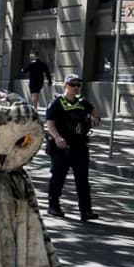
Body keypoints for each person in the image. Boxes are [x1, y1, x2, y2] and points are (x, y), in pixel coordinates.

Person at [45, 74, 99, 222]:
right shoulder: (56, 103)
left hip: (79, 145)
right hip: (61, 147)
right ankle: (53, 206)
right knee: (58, 177)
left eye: (77, 85)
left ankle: (86, 210)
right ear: (65, 85)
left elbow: (93, 111)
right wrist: (57, 137)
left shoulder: (82, 102)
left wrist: (95, 118)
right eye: (72, 84)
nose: (75, 87)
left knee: (82, 179)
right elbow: (50, 124)